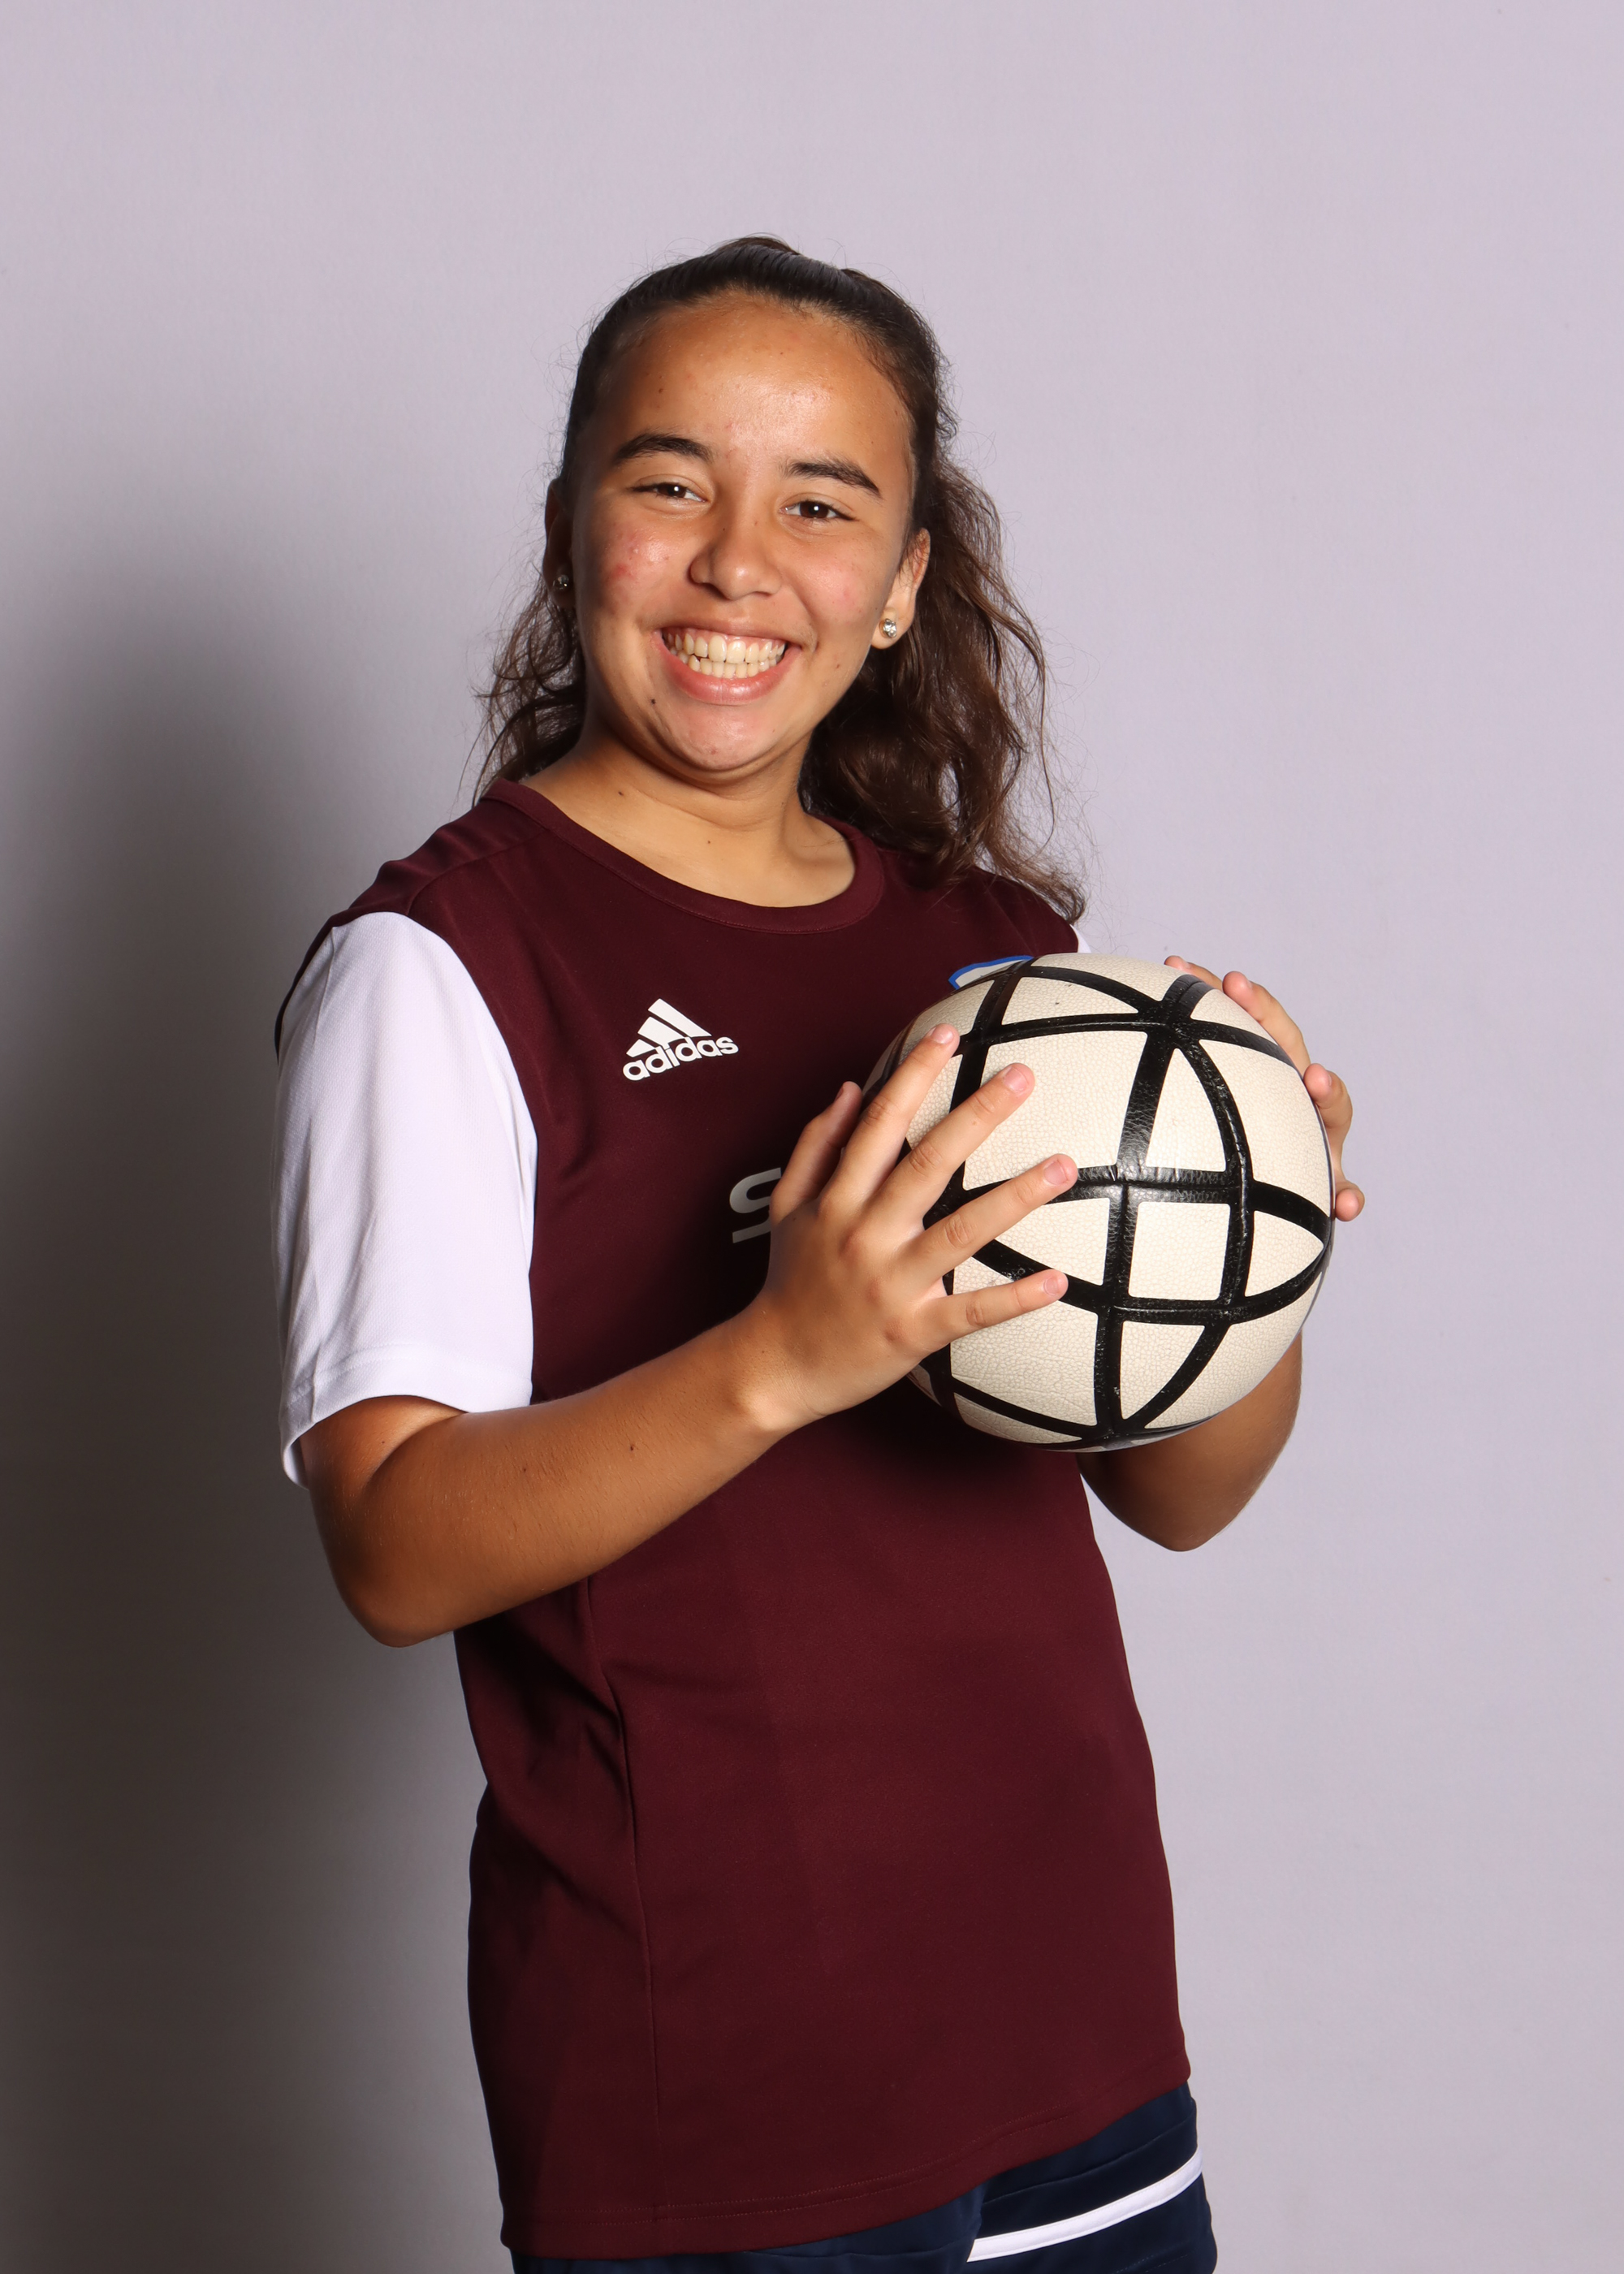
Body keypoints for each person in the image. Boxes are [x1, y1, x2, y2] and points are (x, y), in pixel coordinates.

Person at [272, 237, 1361, 2274]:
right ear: (572, 520)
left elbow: (1181, 1489)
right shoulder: (443, 963)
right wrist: (789, 1349)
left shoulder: (996, 951)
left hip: (1072, 2021)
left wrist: (1249, 1224)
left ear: (905, 580)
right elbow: (395, 1547)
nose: (737, 562)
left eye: (821, 503)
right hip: (720, 2082)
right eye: (669, 480)